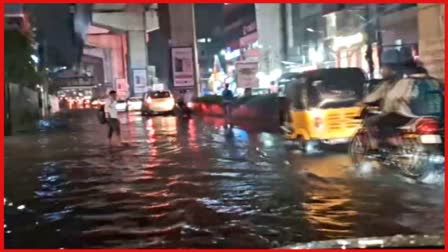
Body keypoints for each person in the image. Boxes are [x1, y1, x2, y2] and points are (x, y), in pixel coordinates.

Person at [360, 63, 418, 150]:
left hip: (401, 114)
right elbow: (375, 95)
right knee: (376, 121)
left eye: (385, 70)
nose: (383, 73)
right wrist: (364, 101)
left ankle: (378, 145)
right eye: (382, 70)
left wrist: (363, 101)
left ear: (393, 71)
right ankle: (385, 144)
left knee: (374, 121)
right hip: (399, 113)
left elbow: (390, 96)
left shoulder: (401, 83)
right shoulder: (388, 84)